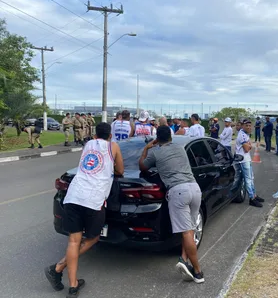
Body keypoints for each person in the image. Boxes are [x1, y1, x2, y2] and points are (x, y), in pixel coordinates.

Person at [44, 123, 124, 298]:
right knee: (93, 237)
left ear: (95, 135)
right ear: (110, 135)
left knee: (73, 241)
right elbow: (120, 169)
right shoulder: (113, 146)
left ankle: (71, 286)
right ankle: (57, 268)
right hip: (93, 199)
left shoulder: (88, 144)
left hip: (73, 196)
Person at [139, 125, 204, 284]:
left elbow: (143, 166)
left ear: (157, 139)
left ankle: (198, 272)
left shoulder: (155, 152)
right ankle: (183, 259)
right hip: (195, 189)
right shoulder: (180, 148)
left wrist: (146, 148)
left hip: (178, 192)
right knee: (189, 228)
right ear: (171, 137)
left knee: (186, 232)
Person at [235, 118, 265, 207]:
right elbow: (247, 148)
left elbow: (248, 146)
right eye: (246, 126)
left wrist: (249, 145)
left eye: (249, 125)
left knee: (251, 178)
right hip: (243, 160)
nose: (248, 127)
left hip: (246, 159)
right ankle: (252, 198)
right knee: (248, 180)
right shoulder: (242, 135)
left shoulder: (245, 134)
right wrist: (249, 145)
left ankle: (254, 195)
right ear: (242, 126)